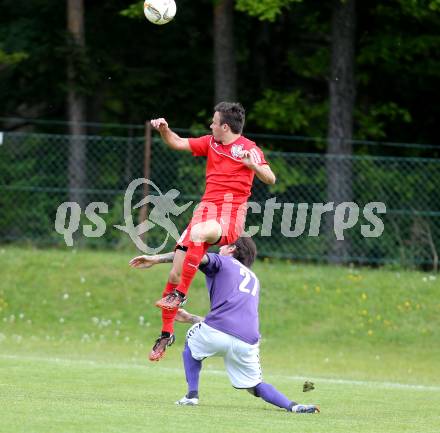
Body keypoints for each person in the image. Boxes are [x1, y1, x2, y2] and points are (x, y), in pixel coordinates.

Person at [129, 237, 320, 413]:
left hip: (217, 332)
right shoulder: (254, 279)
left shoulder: (223, 261)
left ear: (232, 249)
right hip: (248, 341)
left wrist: (155, 259)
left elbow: (190, 255)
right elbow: (232, 322)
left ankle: (191, 396)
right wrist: (192, 318)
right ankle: (293, 406)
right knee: (255, 386)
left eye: (225, 243)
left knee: (191, 341)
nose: (220, 246)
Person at [147, 102, 276, 361]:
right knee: (174, 273)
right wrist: (164, 130)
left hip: (230, 216)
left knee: (200, 233)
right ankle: (166, 332)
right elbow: (178, 142)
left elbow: (271, 178)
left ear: (225, 126)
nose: (211, 126)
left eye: (214, 122)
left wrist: (254, 167)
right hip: (204, 211)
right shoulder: (211, 143)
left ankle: (180, 296)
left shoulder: (249, 149)